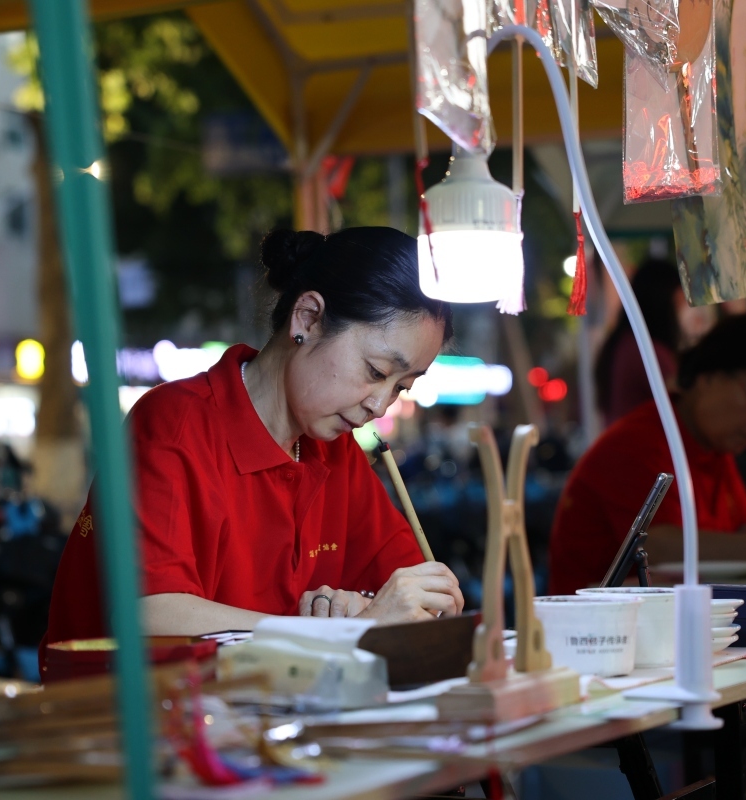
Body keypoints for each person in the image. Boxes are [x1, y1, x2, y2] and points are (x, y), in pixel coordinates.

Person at [42, 228, 465, 665]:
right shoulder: (174, 426)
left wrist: (366, 606)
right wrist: (340, 632)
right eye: (376, 372)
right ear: (307, 318)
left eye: (401, 387)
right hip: (126, 705)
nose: (379, 405)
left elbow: (416, 597)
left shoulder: (335, 452)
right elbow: (151, 616)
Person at [548, 314, 746, 595]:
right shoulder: (639, 443)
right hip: (598, 618)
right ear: (709, 376)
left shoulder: (713, 449)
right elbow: (657, 548)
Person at [594, 259, 684, 427]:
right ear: (664, 301)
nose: (683, 310)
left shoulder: (623, 344)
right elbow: (681, 405)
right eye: (679, 302)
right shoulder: (648, 353)